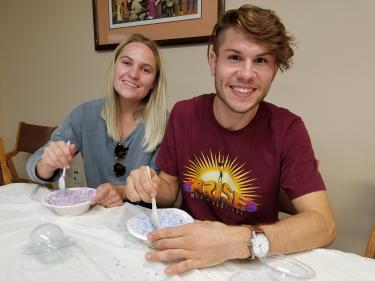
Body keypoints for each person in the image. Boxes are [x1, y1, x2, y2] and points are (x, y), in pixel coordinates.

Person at [125, 4, 336, 276]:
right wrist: (149, 186)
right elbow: (168, 187)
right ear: (214, 61)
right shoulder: (183, 114)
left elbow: (324, 225)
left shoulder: (288, 128)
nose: (247, 74)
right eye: (235, 57)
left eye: (261, 60)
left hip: (253, 264)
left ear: (274, 70)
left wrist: (238, 242)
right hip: (185, 259)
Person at [27, 33, 168, 208]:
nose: (133, 74)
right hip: (95, 218)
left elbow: (164, 191)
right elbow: (33, 166)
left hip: (141, 223)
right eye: (126, 62)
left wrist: (122, 192)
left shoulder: (165, 124)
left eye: (146, 69)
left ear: (154, 82)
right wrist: (48, 162)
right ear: (114, 66)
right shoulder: (85, 114)